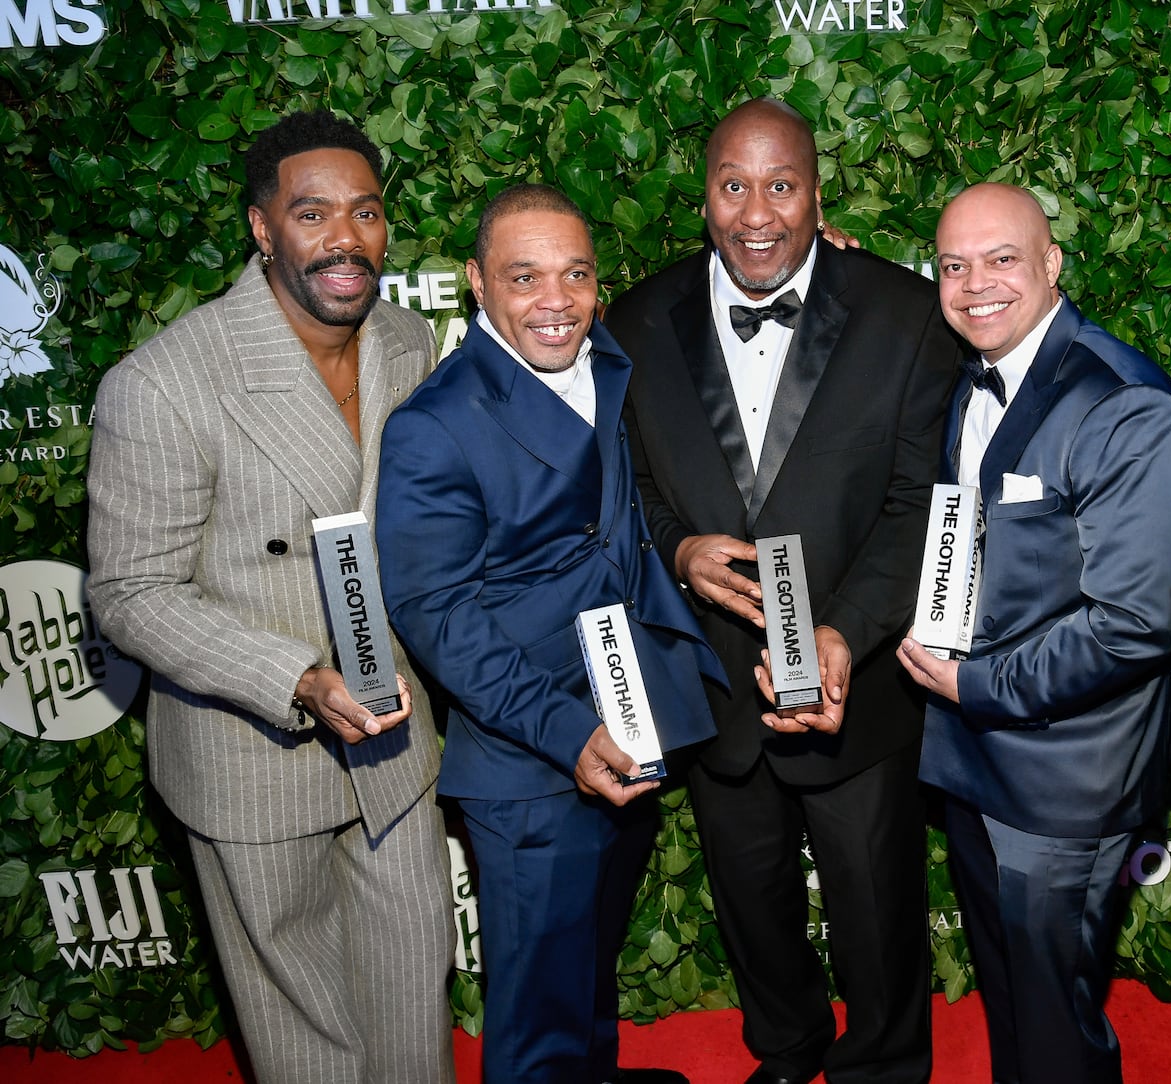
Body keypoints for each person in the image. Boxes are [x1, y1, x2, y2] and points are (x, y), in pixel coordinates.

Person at [85, 111, 455, 1083]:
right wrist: (294, 676)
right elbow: (129, 592)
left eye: (366, 211)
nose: (345, 237)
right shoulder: (164, 384)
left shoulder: (410, 344)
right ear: (261, 226)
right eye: (312, 212)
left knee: (417, 1017)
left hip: (394, 743)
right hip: (253, 756)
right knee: (309, 1052)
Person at [605, 98, 960, 1084]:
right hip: (716, 686)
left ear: (816, 192)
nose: (756, 213)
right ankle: (789, 1047)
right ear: (703, 197)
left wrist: (847, 629)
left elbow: (917, 502)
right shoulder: (636, 321)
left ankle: (884, 1066)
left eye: (780, 185)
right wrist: (675, 550)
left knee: (875, 903)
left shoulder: (904, 314)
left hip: (856, 682)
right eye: (732, 185)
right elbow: (623, 483)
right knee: (750, 898)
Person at [374, 184, 724, 1084]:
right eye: (524, 277)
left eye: (575, 275)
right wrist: (570, 735)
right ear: (476, 285)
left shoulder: (605, 357)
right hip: (533, 760)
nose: (556, 301)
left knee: (585, 978)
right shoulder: (435, 426)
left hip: (629, 718)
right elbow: (436, 615)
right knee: (536, 1027)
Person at [896, 183, 1171, 1084]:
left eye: (1002, 260)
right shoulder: (976, 374)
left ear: (1052, 262)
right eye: (954, 265)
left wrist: (974, 685)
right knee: (1013, 998)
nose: (975, 283)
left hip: (1068, 775)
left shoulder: (1122, 402)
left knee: (1056, 1019)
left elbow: (1133, 626)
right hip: (973, 760)